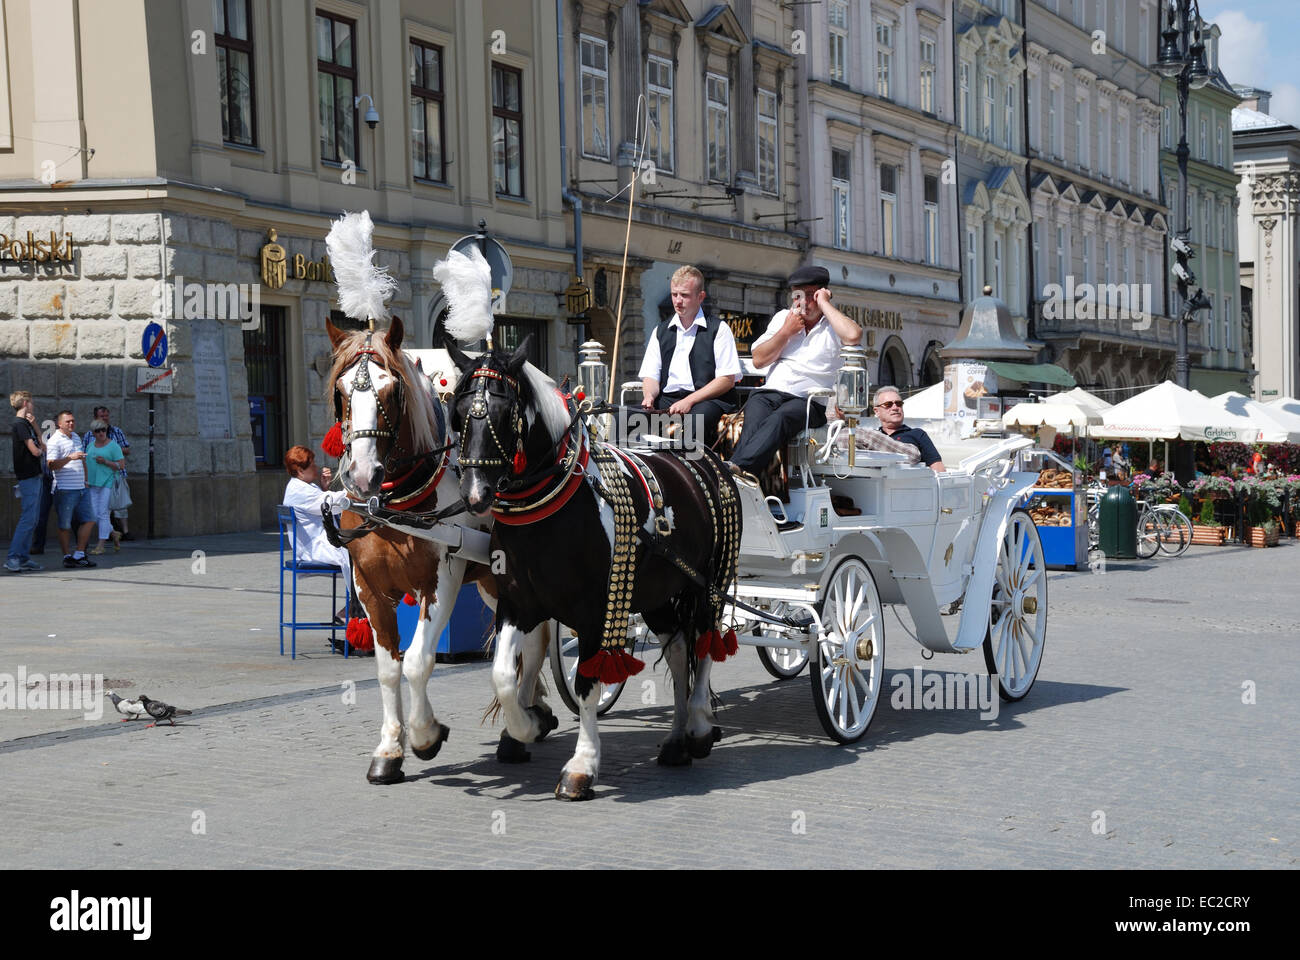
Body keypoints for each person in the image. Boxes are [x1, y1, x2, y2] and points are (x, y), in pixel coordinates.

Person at [728, 264, 862, 475]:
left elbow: (853, 336)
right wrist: (785, 333)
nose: (803, 302)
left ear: (822, 294)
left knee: (781, 417)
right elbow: (758, 360)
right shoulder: (784, 318)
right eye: (798, 296)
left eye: (811, 295)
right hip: (771, 393)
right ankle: (740, 472)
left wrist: (825, 305)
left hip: (809, 402)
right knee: (755, 409)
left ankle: (738, 469)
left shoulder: (833, 324)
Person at [637, 265, 741, 447]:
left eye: (684, 295)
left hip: (708, 400)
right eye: (674, 294)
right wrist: (649, 396)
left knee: (693, 425)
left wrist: (689, 401)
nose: (677, 301)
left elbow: (726, 379)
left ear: (700, 297)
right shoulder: (660, 331)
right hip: (668, 398)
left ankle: (684, 472)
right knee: (622, 422)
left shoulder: (718, 329)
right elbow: (651, 376)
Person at [283, 445, 353, 621]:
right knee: (358, 555)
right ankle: (354, 609)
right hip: (313, 548)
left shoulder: (301, 486)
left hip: (314, 543)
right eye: (312, 465)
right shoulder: (299, 490)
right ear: (300, 470)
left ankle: (353, 608)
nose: (316, 467)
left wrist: (324, 488)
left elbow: (323, 504)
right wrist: (355, 491)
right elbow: (329, 504)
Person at [45, 410, 97, 568]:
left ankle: (79, 554)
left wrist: (86, 480)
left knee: (89, 520)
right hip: (65, 489)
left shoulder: (75, 437)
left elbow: (82, 460)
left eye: (73, 421)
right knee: (64, 525)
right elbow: (51, 464)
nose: (71, 424)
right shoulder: (54, 440)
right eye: (67, 421)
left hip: (81, 487)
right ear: (59, 424)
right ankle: (67, 556)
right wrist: (69, 458)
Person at [5, 391, 46, 572]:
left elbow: (42, 445)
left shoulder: (26, 424)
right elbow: (37, 451)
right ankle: (13, 557)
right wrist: (40, 449)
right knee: (28, 518)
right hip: (28, 475)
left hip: (33, 475)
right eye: (32, 402)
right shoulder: (19, 424)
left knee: (32, 519)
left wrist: (35, 424)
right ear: (25, 403)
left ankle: (23, 557)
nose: (33, 405)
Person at [84, 405, 132, 540]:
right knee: (99, 511)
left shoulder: (116, 432)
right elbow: (85, 454)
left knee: (118, 507)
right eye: (101, 416)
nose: (105, 419)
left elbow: (126, 450)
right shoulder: (89, 435)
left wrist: (110, 452)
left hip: (115, 477)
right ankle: (111, 532)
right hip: (96, 478)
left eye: (106, 416)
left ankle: (124, 532)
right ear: (95, 418)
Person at [872, 386, 945, 472]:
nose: (895, 408)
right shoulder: (871, 437)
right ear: (877, 411)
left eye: (899, 403)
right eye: (888, 404)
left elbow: (938, 469)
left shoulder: (917, 434)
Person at [84, 418, 125, 555]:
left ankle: (101, 545)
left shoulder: (113, 446)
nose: (101, 433)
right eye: (98, 431)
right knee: (95, 515)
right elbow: (86, 463)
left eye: (103, 430)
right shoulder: (90, 446)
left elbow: (121, 465)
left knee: (103, 513)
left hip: (108, 483)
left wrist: (106, 462)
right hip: (92, 483)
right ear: (93, 433)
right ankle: (114, 533)